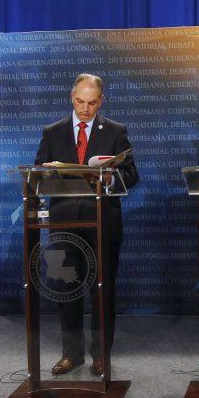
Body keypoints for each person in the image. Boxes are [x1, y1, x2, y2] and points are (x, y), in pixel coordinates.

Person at [34, 73, 138, 377]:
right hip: (64, 224)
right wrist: (48, 172)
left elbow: (132, 174)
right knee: (67, 289)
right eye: (80, 101)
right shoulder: (53, 133)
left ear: (101, 101)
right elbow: (37, 174)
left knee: (102, 291)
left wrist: (108, 177)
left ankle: (101, 356)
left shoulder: (116, 131)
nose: (85, 108)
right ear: (71, 96)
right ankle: (72, 354)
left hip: (103, 224)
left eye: (92, 103)